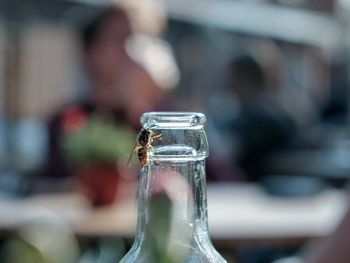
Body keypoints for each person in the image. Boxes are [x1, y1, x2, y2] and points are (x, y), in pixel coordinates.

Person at [227, 55, 297, 181]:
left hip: (262, 191)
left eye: (232, 78)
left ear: (245, 79)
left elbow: (234, 153)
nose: (228, 84)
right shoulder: (272, 107)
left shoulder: (258, 116)